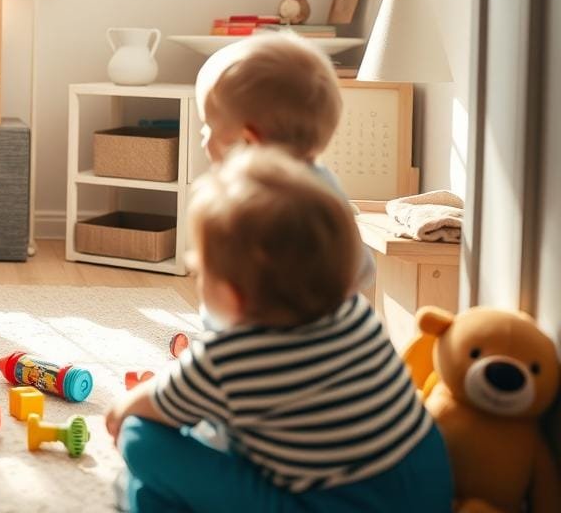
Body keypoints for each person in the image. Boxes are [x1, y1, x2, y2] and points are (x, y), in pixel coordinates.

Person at [107, 148, 452, 512]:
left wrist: (134, 404)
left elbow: (130, 412)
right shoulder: (354, 312)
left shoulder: (228, 357)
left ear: (231, 295)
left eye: (200, 270)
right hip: (425, 486)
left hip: (330, 503)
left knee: (139, 437)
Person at [193, 33, 374, 292]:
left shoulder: (247, 202)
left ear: (249, 142)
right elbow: (363, 270)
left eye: (208, 127)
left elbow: (227, 289)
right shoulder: (325, 184)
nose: (203, 139)